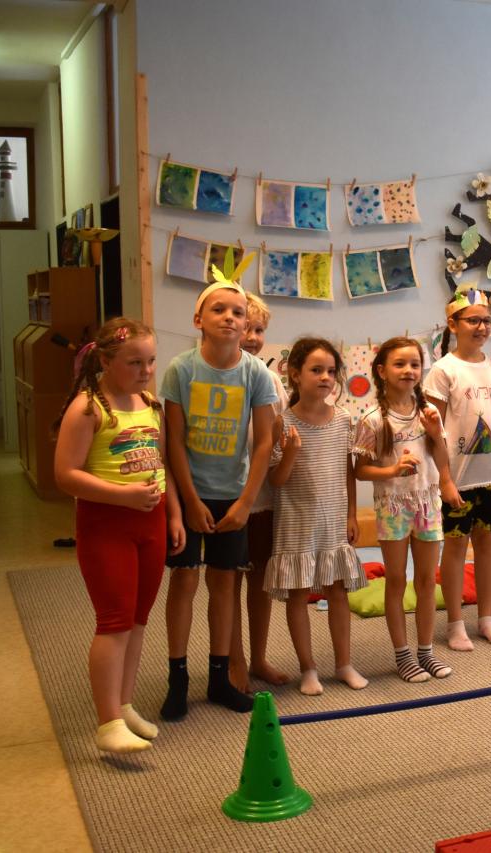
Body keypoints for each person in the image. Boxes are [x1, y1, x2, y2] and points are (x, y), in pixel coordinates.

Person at [53, 318, 185, 753]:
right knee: (114, 622)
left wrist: (173, 515)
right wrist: (122, 496)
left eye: (151, 361)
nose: (146, 371)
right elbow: (66, 475)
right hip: (107, 526)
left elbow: (160, 465)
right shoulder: (88, 408)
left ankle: (124, 705)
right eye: (134, 363)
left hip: (150, 525)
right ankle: (107, 721)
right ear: (105, 361)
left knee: (138, 620)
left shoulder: (149, 404)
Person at [159, 267, 277, 720]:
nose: (230, 318)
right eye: (219, 310)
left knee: (224, 584)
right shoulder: (181, 369)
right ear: (198, 319)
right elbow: (173, 441)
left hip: (233, 497)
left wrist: (246, 502)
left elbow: (264, 442)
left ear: (246, 324)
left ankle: (218, 676)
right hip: (191, 493)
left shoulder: (255, 374)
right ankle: (178, 678)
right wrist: (189, 502)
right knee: (185, 582)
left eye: (238, 313)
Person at [354, 337, 460, 682]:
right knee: (397, 579)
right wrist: (392, 470)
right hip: (393, 506)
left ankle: (426, 652)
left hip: (427, 503)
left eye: (415, 364)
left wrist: (435, 434)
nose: (409, 370)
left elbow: (441, 457)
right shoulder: (372, 419)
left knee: (428, 580)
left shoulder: (429, 413)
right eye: (399, 364)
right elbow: (360, 470)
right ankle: (403, 655)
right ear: (382, 371)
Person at [266, 337, 368, 695]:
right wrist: (291, 452)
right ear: (295, 374)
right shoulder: (283, 422)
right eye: (316, 370)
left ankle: (344, 664)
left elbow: (347, 472)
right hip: (296, 523)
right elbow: (276, 480)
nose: (325, 377)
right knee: (297, 595)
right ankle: (308, 668)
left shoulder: (343, 419)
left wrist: (352, 514)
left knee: (337, 591)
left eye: (330, 371)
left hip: (333, 521)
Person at [425, 288, 491, 651]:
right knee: (454, 548)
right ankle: (455, 623)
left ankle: (486, 618)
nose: (482, 327)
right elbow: (432, 431)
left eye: (487, 321)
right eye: (473, 320)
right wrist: (444, 479)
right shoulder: (443, 370)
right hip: (458, 481)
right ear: (453, 324)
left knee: (487, 546)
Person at [228, 290, 290, 692]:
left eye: (259, 330)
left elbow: (280, 430)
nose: (252, 337)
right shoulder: (216, 375)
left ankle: (259, 657)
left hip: (264, 497)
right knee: (229, 584)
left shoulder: (269, 378)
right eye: (246, 328)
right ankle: (233, 661)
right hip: (228, 496)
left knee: (260, 582)